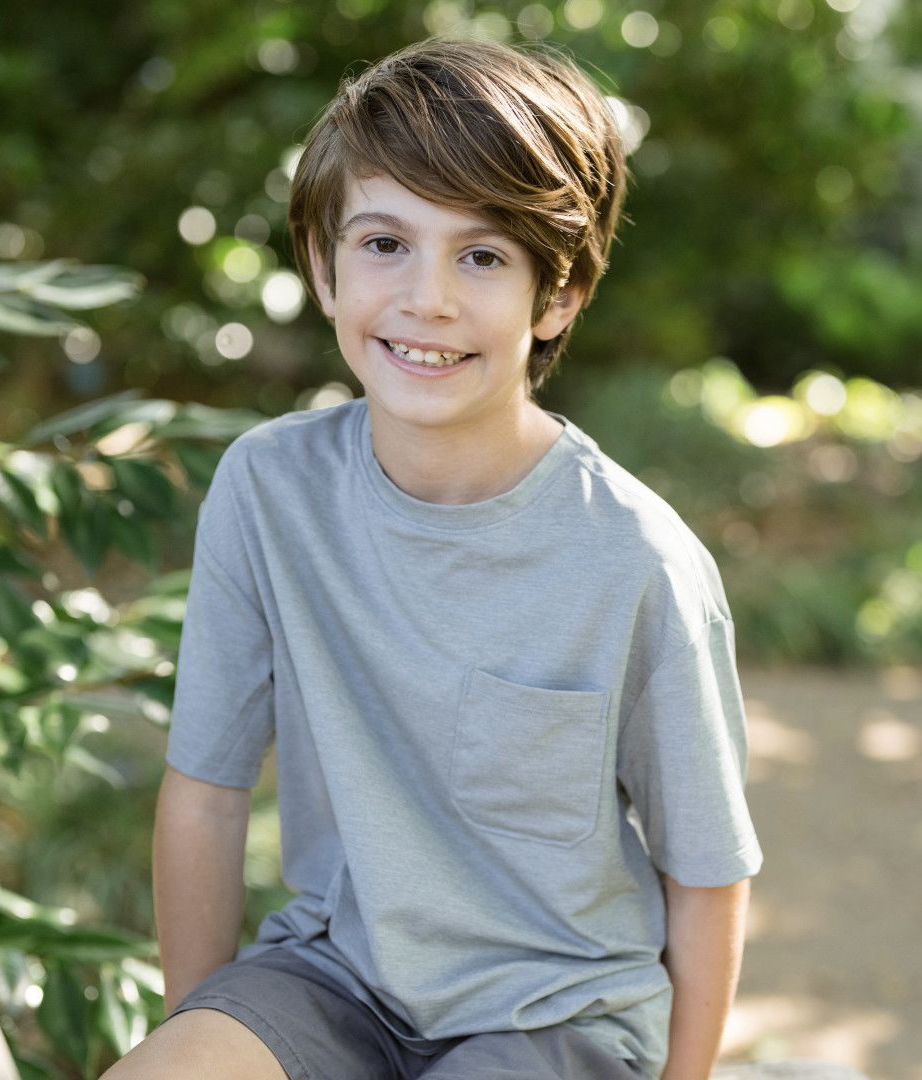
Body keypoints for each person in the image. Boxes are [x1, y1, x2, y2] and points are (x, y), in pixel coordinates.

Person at [103, 37, 762, 1080]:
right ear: (322, 265)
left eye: (483, 256)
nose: (428, 299)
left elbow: (707, 872)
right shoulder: (268, 489)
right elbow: (207, 791)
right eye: (384, 243)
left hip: (555, 1015)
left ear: (558, 294)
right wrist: (197, 1028)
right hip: (334, 981)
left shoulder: (638, 563)